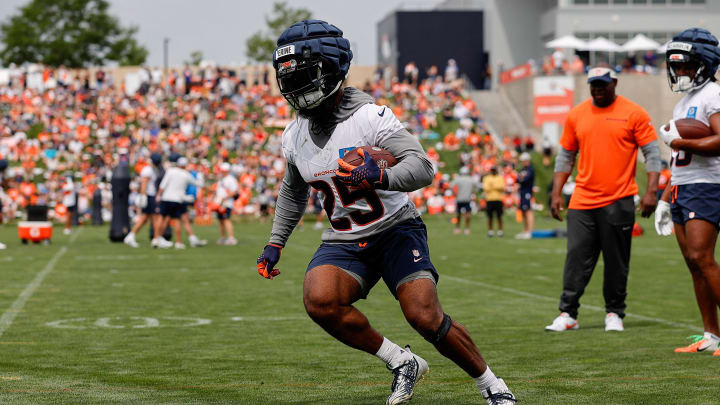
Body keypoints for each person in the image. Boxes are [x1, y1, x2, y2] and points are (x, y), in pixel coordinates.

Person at [256, 20, 516, 405]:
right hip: (345, 238)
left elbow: (422, 166)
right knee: (320, 300)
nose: (296, 87)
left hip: (396, 229)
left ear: (331, 71)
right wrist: (275, 242)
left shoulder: (370, 117)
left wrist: (381, 175)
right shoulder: (293, 135)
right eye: (289, 78)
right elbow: (293, 190)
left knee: (424, 316)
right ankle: (401, 362)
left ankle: (492, 385)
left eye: (305, 76)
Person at [546, 66, 660, 332]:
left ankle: (614, 313)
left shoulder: (634, 113)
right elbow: (565, 156)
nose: (597, 88)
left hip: (619, 199)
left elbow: (652, 154)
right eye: (593, 84)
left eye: (602, 84)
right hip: (582, 200)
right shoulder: (577, 114)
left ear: (615, 83)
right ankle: (568, 313)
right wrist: (555, 193)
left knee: (616, 260)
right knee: (576, 257)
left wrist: (652, 191)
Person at [654, 28, 720, 355]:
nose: (679, 72)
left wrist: (681, 141)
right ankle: (711, 334)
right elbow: (679, 160)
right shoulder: (684, 103)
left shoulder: (713, 96)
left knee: (701, 257)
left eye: (685, 66)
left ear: (703, 64)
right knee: (692, 263)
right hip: (683, 187)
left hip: (707, 186)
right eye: (676, 66)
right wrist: (665, 199)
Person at [154, 155, 202, 249]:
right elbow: (198, 184)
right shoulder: (186, 174)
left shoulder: (171, 171)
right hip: (177, 200)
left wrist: (158, 195)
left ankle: (157, 238)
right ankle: (178, 242)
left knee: (162, 218)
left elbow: (163, 185)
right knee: (177, 220)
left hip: (166, 198)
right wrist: (199, 175)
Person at [124, 153, 163, 248]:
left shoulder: (150, 169)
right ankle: (156, 239)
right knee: (155, 217)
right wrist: (143, 196)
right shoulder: (148, 170)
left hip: (149, 195)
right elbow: (144, 183)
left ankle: (131, 236)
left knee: (145, 218)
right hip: (149, 196)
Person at [215, 162, 238, 246]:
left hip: (226, 203)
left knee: (226, 219)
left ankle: (231, 237)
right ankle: (223, 237)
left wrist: (225, 198)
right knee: (220, 220)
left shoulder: (231, 179)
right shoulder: (221, 179)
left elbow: (235, 191)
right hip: (219, 203)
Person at [451, 166, 478, 235]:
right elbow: (477, 186)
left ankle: (457, 228)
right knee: (468, 214)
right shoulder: (470, 179)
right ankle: (467, 229)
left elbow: (451, 185)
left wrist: (455, 193)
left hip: (459, 198)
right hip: (467, 199)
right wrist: (473, 191)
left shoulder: (458, 179)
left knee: (458, 214)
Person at [515, 152, 535, 240]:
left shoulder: (530, 169)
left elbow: (524, 179)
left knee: (528, 211)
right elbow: (517, 179)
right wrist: (520, 178)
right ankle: (525, 230)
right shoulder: (524, 169)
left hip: (527, 192)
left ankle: (530, 231)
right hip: (522, 192)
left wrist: (520, 178)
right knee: (523, 212)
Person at [482, 166, 505, 238]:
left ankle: (500, 231)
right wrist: (495, 186)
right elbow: (486, 188)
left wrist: (492, 185)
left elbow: (501, 187)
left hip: (498, 199)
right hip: (490, 199)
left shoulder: (500, 178)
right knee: (490, 217)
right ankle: (490, 231)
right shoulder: (487, 178)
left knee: (499, 216)